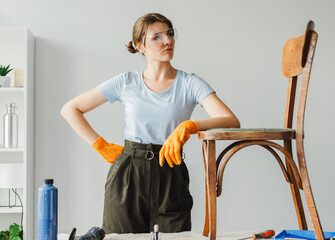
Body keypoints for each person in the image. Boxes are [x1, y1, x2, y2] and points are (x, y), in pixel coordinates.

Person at [61, 13, 240, 234]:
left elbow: (232, 121)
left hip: (171, 174)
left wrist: (191, 125)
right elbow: (70, 109)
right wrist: (101, 145)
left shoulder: (190, 83)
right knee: (119, 239)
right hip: (128, 174)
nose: (168, 40)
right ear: (140, 46)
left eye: (170, 34)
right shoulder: (126, 82)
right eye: (157, 37)